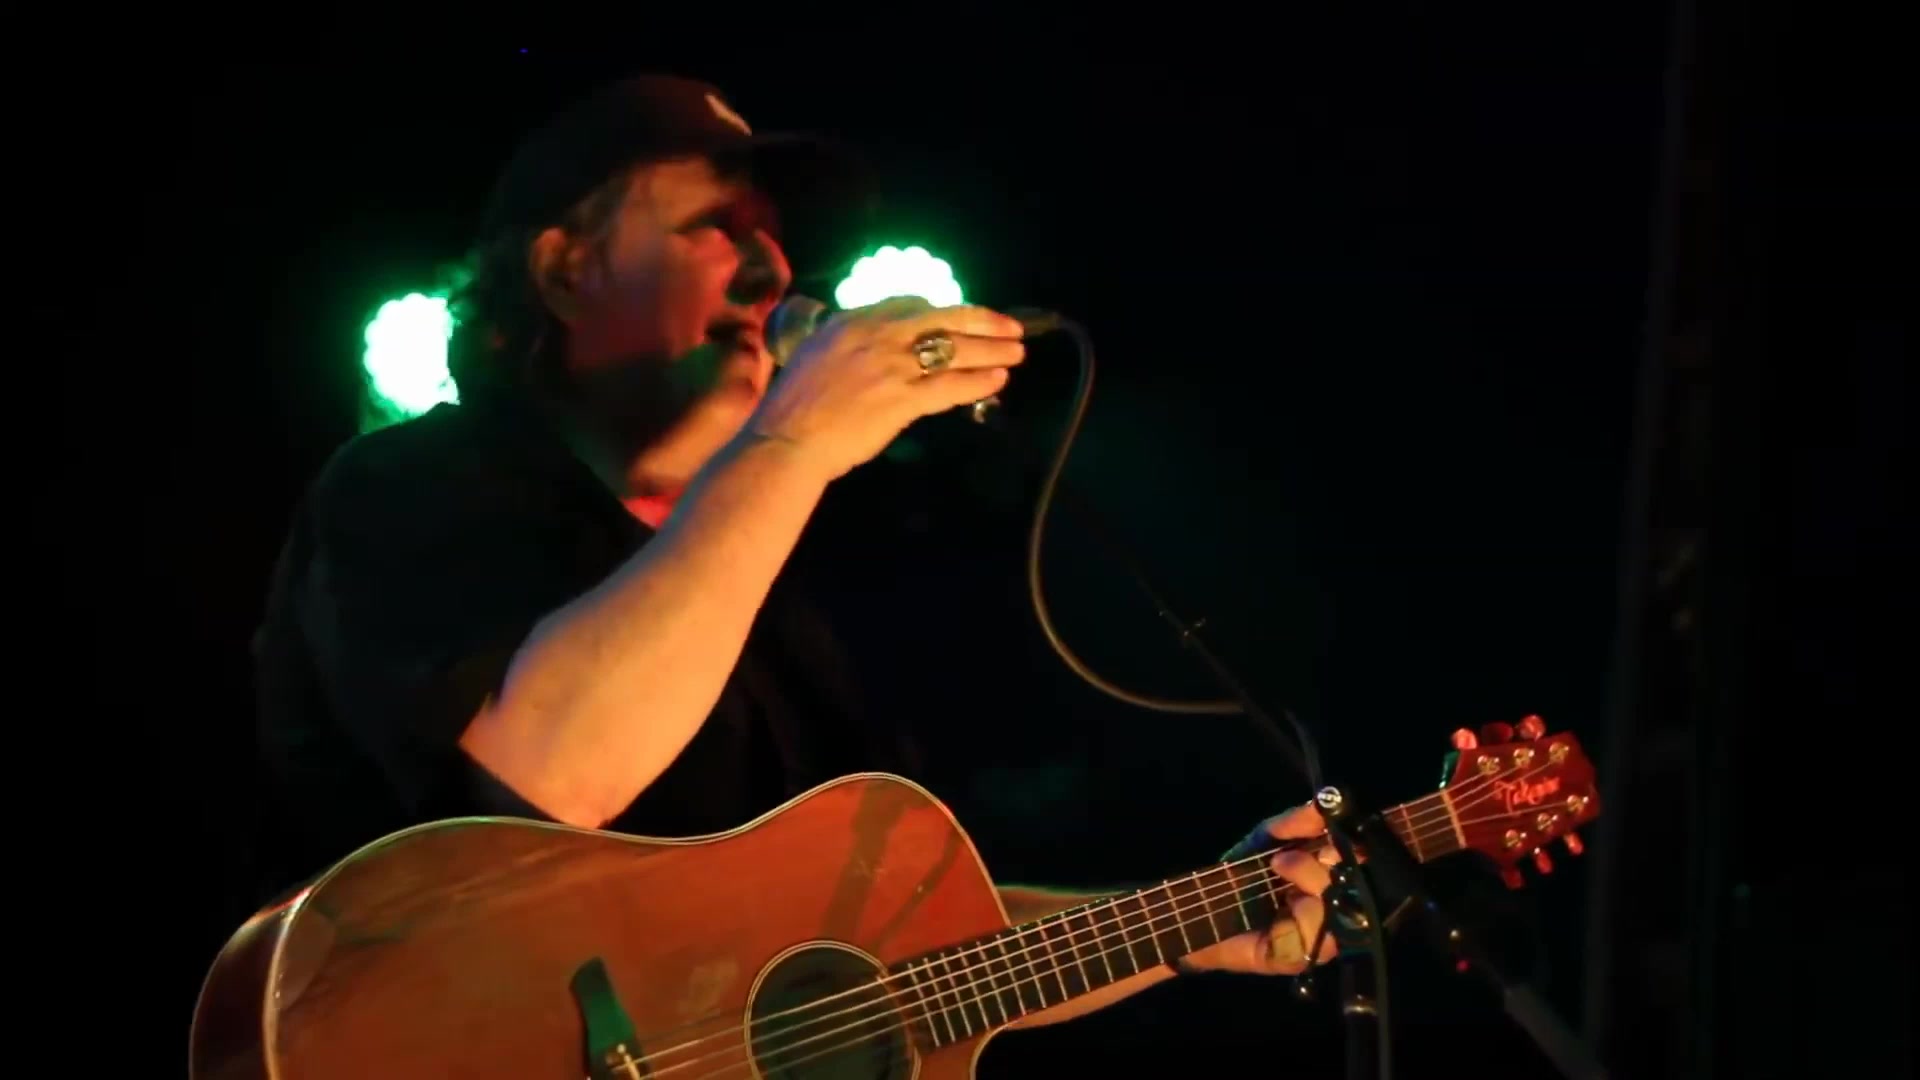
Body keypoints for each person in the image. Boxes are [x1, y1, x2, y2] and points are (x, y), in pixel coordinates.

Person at [251, 73, 1338, 1029]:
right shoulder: (414, 485)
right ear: (565, 270)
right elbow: (542, 783)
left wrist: (1186, 924)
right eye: (717, 226)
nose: (771, 274)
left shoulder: (780, 603)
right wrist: (793, 442)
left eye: (776, 241)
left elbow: (888, 949)